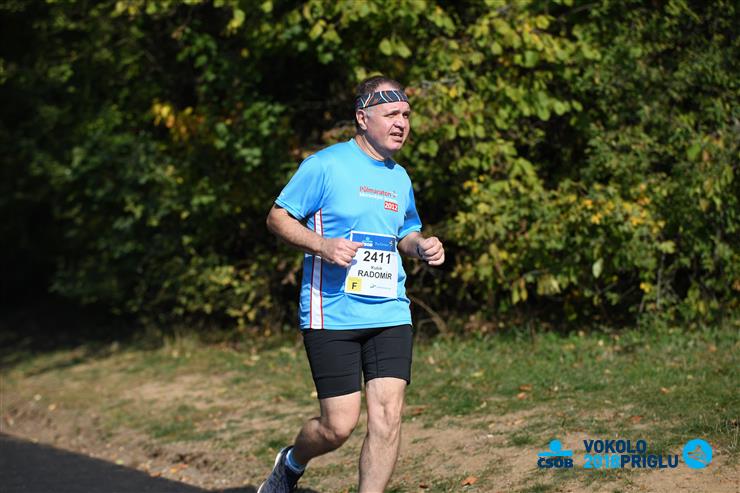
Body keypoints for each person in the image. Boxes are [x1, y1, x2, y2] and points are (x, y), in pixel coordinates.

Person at [259, 76, 444, 493]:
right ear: (362, 118)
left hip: (389, 310)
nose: (401, 123)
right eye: (391, 114)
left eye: (406, 115)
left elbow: (405, 231)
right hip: (333, 312)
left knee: (388, 417)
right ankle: (292, 462)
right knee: (337, 427)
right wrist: (322, 245)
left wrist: (420, 246)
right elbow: (277, 218)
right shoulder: (324, 165)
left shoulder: (399, 177)